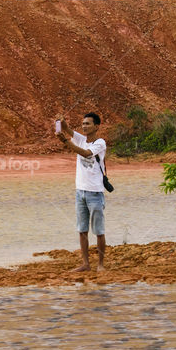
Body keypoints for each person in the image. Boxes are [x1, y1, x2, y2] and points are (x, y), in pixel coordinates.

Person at [55, 112, 107, 272]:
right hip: (80, 191)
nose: (84, 126)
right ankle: (86, 264)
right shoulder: (81, 139)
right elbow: (68, 130)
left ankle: (100, 264)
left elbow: (85, 153)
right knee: (82, 230)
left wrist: (65, 141)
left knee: (98, 231)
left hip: (95, 192)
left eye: (88, 124)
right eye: (83, 123)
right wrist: (61, 123)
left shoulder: (100, 143)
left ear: (96, 126)